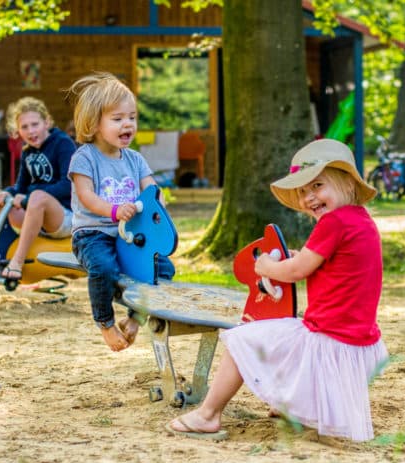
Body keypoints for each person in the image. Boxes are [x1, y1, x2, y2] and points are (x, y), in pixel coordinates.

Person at [166, 139, 388, 442]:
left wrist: (266, 267)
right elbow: (332, 265)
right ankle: (292, 406)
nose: (309, 197)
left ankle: (208, 415)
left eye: (318, 185)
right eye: (302, 191)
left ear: (347, 182)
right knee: (288, 338)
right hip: (357, 339)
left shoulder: (333, 223)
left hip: (330, 336)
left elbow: (296, 272)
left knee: (244, 340)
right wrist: (302, 259)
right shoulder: (360, 220)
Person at [66, 71, 175, 352]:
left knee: (162, 268)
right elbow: (86, 196)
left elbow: (150, 190)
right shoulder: (85, 157)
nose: (127, 124)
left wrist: (157, 201)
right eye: (117, 119)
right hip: (94, 233)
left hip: (128, 235)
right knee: (103, 267)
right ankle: (105, 323)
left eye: (132, 117)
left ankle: (136, 318)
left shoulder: (135, 159)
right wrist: (114, 210)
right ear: (94, 123)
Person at [0, 96, 76, 279]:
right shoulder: (27, 151)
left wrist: (31, 198)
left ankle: (17, 262)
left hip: (61, 216)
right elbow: (21, 186)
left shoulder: (62, 143)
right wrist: (7, 193)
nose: (31, 131)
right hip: (32, 211)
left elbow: (69, 185)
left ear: (47, 122)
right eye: (24, 127)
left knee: (37, 196)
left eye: (35, 124)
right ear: (18, 130)